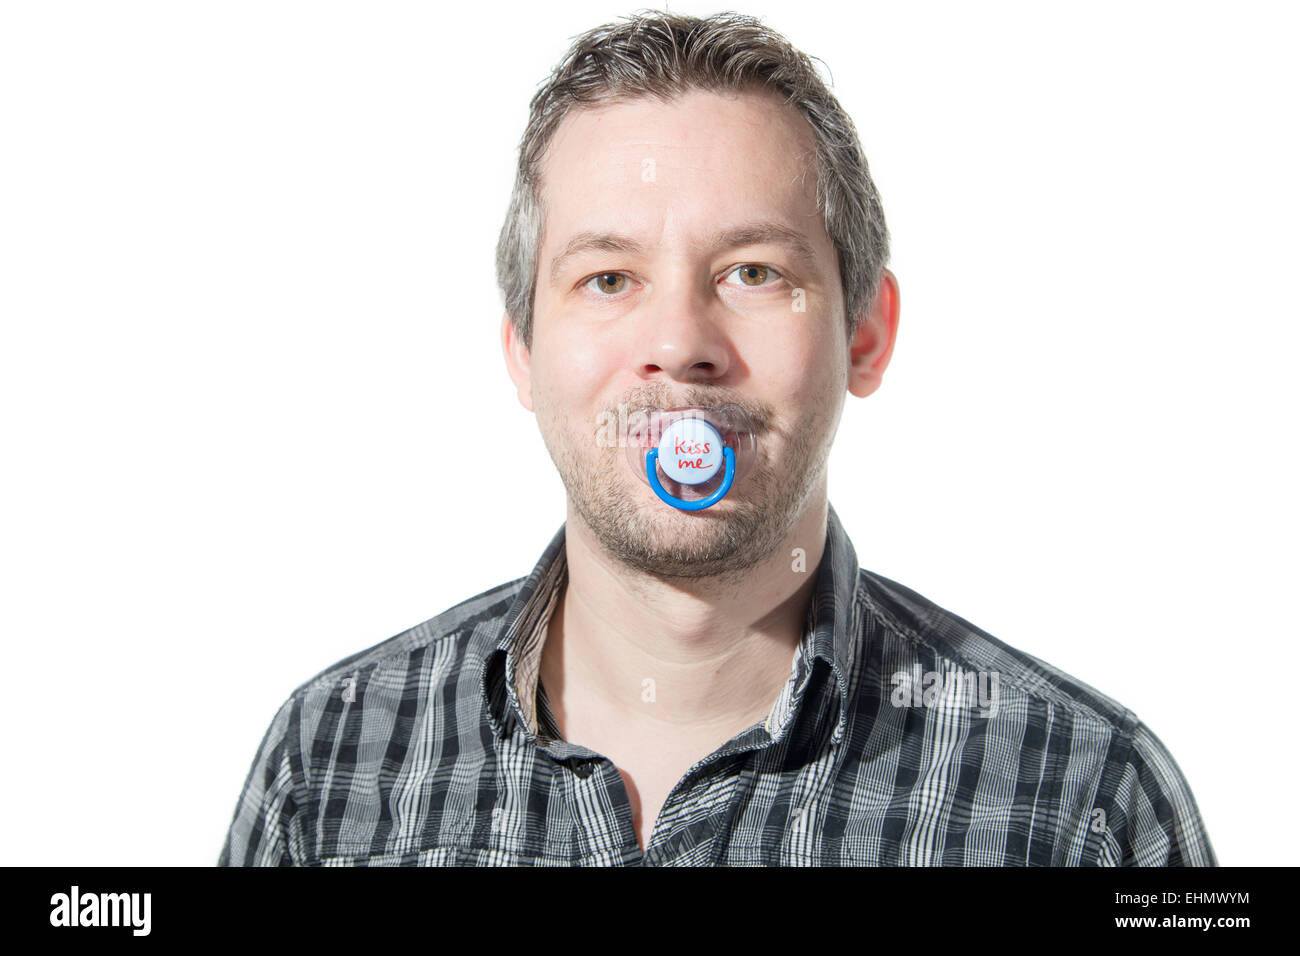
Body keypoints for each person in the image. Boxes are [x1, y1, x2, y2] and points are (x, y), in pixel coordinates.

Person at [218, 9, 1216, 866]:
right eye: (607, 277)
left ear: (864, 335)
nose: (678, 344)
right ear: (522, 350)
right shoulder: (330, 763)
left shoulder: (1085, 801)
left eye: (750, 271)